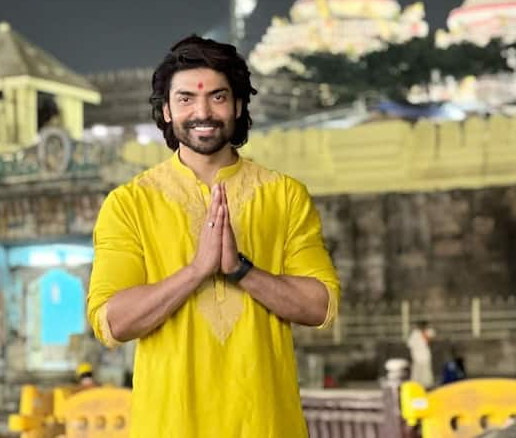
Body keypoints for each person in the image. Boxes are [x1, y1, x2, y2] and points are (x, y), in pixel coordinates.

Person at [87, 35, 340, 437]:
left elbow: (321, 306)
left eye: (218, 97)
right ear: (166, 110)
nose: (202, 111)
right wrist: (196, 271)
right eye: (185, 99)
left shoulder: (284, 195)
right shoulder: (129, 204)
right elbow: (113, 322)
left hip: (268, 426)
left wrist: (241, 271)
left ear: (238, 106)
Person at [407, 320, 435, 388]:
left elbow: (428, 341)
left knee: (426, 374)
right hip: (416, 356)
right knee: (416, 374)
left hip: (425, 356)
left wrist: (423, 333)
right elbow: (410, 344)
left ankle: (427, 386)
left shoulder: (429, 331)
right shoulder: (415, 333)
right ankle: (415, 386)